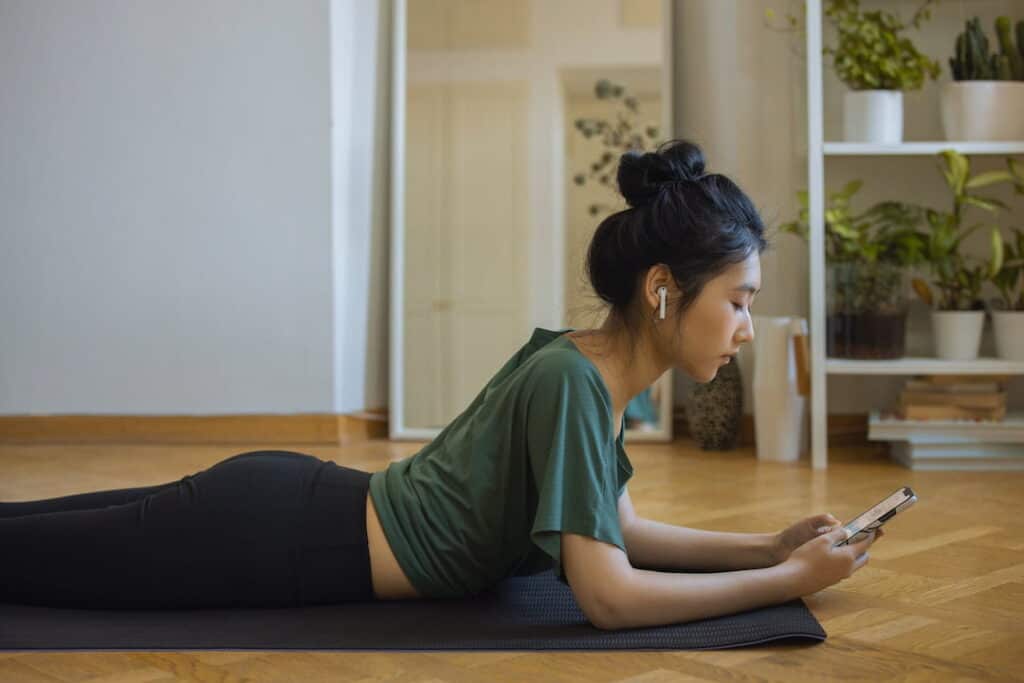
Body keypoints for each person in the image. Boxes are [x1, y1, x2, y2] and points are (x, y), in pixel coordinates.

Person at [0, 139, 881, 629]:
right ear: (663, 289)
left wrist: (769, 548)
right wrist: (781, 582)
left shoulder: (592, 371)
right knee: (30, 561)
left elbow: (615, 530)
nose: (746, 328)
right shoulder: (576, 381)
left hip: (292, 512)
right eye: (738, 301)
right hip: (281, 536)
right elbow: (608, 593)